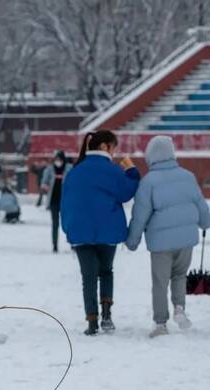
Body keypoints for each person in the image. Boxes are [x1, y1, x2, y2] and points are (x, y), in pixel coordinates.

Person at [126, 135, 210, 337]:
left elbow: (140, 215)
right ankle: (179, 309)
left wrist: (132, 241)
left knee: (160, 282)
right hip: (186, 240)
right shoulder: (188, 176)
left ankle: (160, 323)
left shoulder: (148, 182)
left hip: (161, 244)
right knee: (180, 276)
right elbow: (200, 204)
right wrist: (205, 223)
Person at [61, 129, 140, 335]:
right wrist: (131, 171)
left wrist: (68, 227)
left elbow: (65, 203)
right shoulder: (113, 171)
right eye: (114, 147)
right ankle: (106, 315)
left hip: (80, 231)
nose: (115, 152)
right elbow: (126, 192)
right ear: (104, 147)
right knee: (106, 271)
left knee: (88, 277)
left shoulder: (75, 172)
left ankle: (92, 321)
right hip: (108, 230)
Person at [41, 150, 72, 252]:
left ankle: (73, 243)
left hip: (66, 201)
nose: (58, 161)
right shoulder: (49, 170)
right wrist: (46, 187)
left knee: (69, 224)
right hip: (53, 200)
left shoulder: (69, 169)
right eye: (56, 159)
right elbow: (44, 182)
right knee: (55, 224)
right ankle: (55, 245)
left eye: (59, 159)